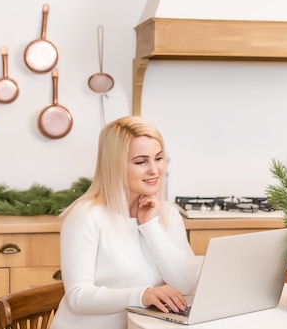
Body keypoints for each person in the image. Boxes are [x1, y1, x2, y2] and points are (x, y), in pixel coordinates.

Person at [50, 116, 200, 329]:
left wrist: (150, 227)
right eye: (141, 162)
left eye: (158, 158)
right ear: (115, 166)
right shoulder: (86, 216)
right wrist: (143, 295)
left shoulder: (167, 214)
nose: (154, 170)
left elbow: (186, 284)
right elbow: (78, 296)